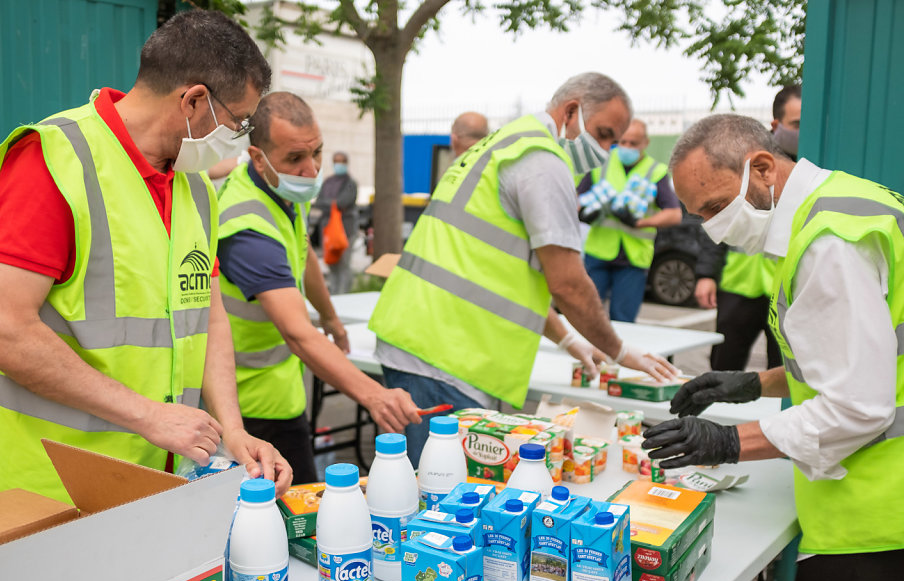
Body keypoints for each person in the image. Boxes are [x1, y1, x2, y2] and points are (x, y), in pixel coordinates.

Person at [0, 10, 293, 503]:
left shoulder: (194, 186)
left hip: (148, 484)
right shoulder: (55, 159)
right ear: (193, 100)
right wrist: (149, 415)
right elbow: (0, 329)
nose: (238, 138)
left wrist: (233, 433)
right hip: (43, 486)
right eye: (238, 122)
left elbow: (207, 315)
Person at [643, 113, 904, 581]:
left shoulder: (830, 242)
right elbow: (865, 353)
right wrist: (755, 384)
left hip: (878, 522)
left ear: (762, 167)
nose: (710, 230)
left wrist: (727, 442)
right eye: (697, 217)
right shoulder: (851, 203)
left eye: (714, 208)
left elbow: (859, 406)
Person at [370, 72, 679, 465]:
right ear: (571, 112)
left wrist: (569, 339)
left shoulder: (506, 144)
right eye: (602, 134)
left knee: (429, 486)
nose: (605, 150)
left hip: (424, 339)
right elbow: (567, 282)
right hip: (447, 356)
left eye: (613, 141)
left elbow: (500, 277)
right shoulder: (543, 162)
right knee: (442, 501)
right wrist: (617, 350)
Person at [216, 92, 420, 483]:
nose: (311, 170)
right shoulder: (247, 231)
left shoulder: (277, 188)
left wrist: (331, 318)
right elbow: (297, 333)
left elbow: (303, 250)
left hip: (281, 389)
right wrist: (375, 396)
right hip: (252, 407)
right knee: (298, 517)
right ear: (258, 157)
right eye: (295, 158)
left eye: (318, 153)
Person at [693, 85, 801, 371]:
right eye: (796, 124)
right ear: (775, 124)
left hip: (787, 288)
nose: (802, 131)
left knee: (785, 370)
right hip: (739, 283)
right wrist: (706, 274)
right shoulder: (745, 162)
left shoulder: (816, 170)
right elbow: (715, 218)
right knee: (725, 364)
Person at [578, 118, 684, 321]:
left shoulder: (656, 171)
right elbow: (577, 200)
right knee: (586, 315)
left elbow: (674, 214)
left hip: (633, 258)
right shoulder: (601, 164)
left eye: (633, 143)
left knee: (623, 320)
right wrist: (583, 213)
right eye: (623, 142)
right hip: (597, 253)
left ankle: (617, 354)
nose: (627, 147)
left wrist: (639, 223)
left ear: (646, 143)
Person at [312, 151, 360, 294]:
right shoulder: (328, 182)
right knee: (332, 263)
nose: (338, 164)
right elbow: (318, 202)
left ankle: (343, 295)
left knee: (343, 264)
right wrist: (332, 203)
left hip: (346, 230)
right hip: (328, 229)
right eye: (336, 161)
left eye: (341, 161)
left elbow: (343, 202)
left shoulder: (350, 183)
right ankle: (334, 295)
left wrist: (331, 203)